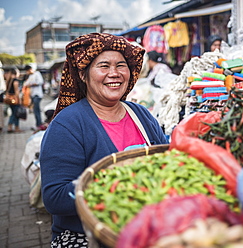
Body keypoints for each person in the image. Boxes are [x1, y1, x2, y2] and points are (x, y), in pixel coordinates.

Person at [39, 33, 168, 247]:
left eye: (121, 65)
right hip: (87, 236)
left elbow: (166, 160)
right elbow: (55, 197)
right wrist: (123, 185)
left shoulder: (141, 114)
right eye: (104, 66)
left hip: (148, 229)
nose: (114, 74)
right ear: (84, 74)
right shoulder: (68, 124)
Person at [23, 64, 44, 129]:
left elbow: (40, 82)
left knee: (36, 110)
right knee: (35, 110)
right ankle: (38, 124)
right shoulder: (30, 76)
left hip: (37, 95)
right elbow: (26, 84)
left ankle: (39, 124)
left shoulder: (37, 74)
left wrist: (31, 84)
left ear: (30, 69)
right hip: (32, 95)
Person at [5, 67, 22, 133]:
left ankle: (11, 127)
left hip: (9, 99)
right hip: (14, 99)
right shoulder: (15, 80)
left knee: (13, 113)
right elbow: (16, 91)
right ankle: (14, 128)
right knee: (15, 114)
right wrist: (19, 99)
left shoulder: (9, 80)